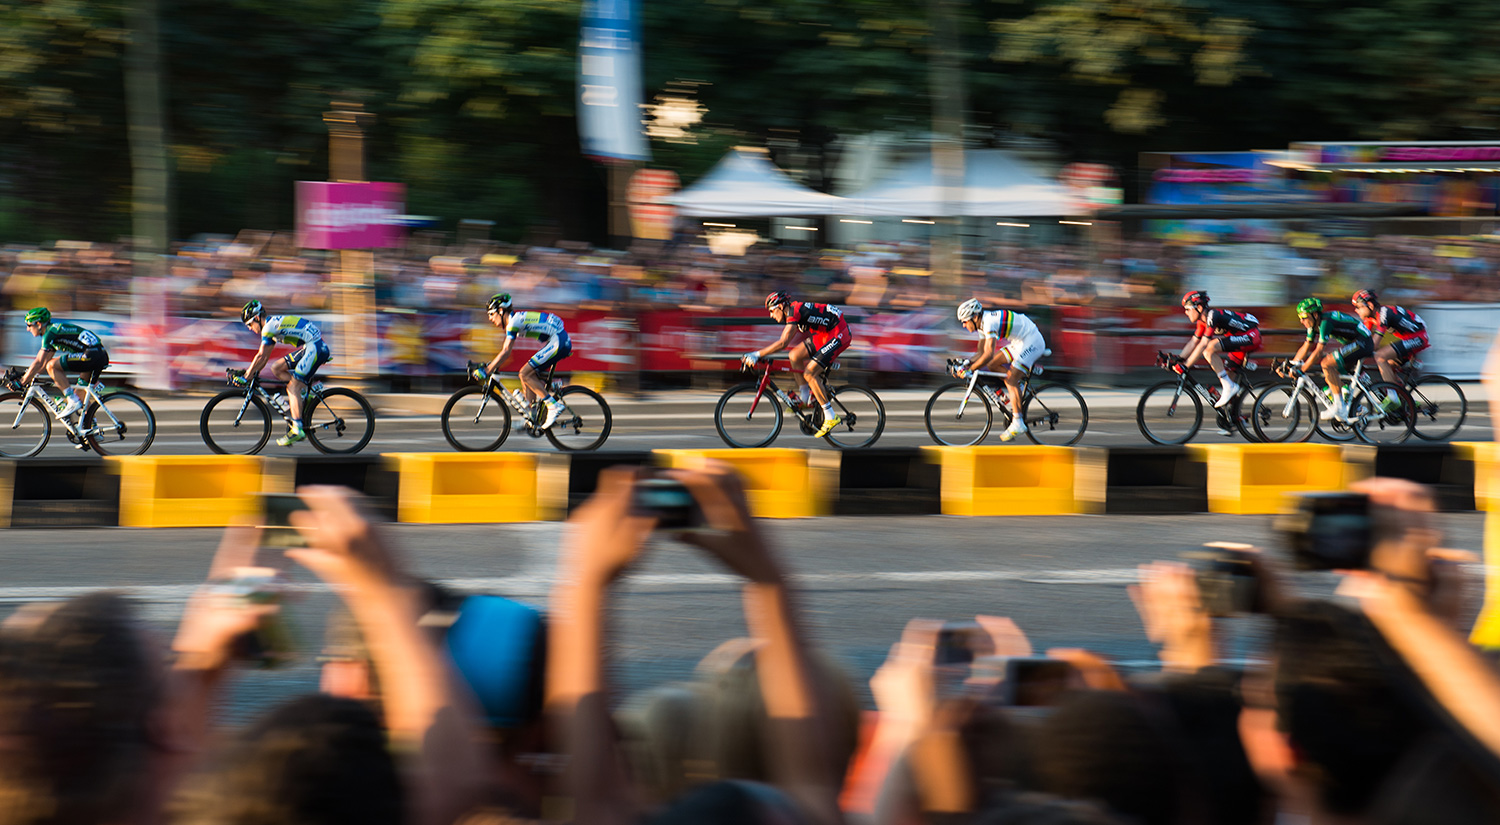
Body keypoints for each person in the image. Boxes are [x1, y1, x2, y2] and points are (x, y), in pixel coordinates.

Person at [742, 291, 853, 439]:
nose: (771, 315)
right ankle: (806, 398)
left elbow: (783, 343)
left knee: (809, 373)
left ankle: (830, 416)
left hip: (839, 333)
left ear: (780, 306)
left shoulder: (794, 312)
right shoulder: (794, 311)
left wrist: (757, 354)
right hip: (826, 334)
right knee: (794, 355)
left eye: (771, 311)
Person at [236, 300, 331, 446]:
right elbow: (265, 358)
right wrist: (251, 372)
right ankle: (306, 391)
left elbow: (261, 356)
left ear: (256, 318)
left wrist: (246, 376)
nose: (250, 328)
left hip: (315, 347)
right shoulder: (271, 326)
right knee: (277, 368)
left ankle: (297, 429)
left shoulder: (268, 328)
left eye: (249, 324)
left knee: (292, 387)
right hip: (312, 345)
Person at [954, 298, 1046, 442]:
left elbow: (988, 353)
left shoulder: (989, 322)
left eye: (965, 321)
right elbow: (980, 353)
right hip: (1019, 343)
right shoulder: (982, 325)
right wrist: (966, 364)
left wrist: (971, 369)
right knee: (992, 365)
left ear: (975, 317)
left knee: (1010, 379)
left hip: (1032, 341)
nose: (964, 325)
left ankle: (1018, 422)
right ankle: (1018, 385)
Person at [478, 292, 572, 430]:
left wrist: (487, 370)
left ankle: (553, 406)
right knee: (527, 375)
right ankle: (533, 416)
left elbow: (505, 352)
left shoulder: (513, 322)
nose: (490, 319)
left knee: (524, 373)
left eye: (491, 314)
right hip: (557, 338)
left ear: (501, 311)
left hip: (559, 340)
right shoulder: (515, 321)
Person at [1286, 296, 1375, 422]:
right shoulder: (1313, 324)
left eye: (1304, 317)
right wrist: (1292, 365)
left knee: (1327, 364)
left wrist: (1302, 369)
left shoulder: (1325, 323)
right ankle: (1356, 407)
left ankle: (1339, 407)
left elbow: (1318, 351)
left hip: (1363, 342)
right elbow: (1306, 346)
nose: (1301, 321)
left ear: (1315, 315)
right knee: (1330, 382)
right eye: (1300, 318)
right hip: (1354, 342)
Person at [15, 306, 108, 423]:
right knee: (80, 395)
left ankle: (71, 400)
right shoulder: (53, 332)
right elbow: (41, 365)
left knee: (52, 365)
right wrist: (26, 375)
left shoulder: (49, 333)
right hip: (97, 354)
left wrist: (22, 382)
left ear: (38, 324)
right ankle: (92, 431)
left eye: (29, 325)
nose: (28, 329)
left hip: (91, 355)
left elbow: (40, 362)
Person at [1175, 290, 1261, 409]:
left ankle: (1229, 387)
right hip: (1239, 343)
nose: (1186, 313)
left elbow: (1204, 344)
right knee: (1229, 389)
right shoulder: (1202, 322)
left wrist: (1186, 365)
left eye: (1188, 309)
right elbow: (1194, 341)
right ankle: (1232, 422)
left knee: (1209, 349)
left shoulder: (1213, 316)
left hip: (1251, 336)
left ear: (1199, 307)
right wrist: (1179, 358)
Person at [1352, 288, 1428, 386]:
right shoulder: (1370, 319)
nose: (1356, 310)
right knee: (1387, 367)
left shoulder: (1384, 313)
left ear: (1370, 305)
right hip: (1408, 338)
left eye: (1358, 307)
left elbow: (1374, 344)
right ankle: (1403, 397)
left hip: (1419, 337)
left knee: (1380, 356)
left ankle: (1392, 396)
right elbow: (1363, 337)